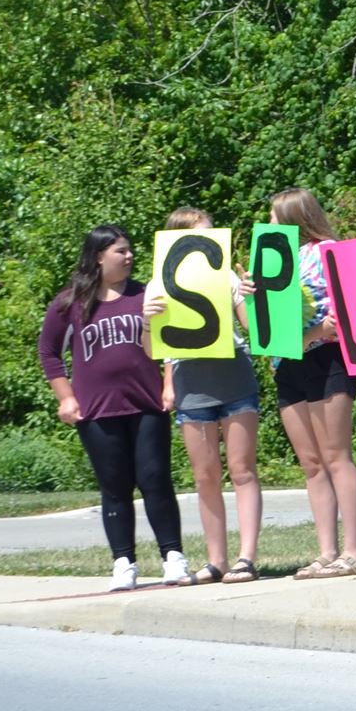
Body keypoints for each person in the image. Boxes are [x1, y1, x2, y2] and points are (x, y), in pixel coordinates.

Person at [38, 226, 189, 591]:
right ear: (98, 257)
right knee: (115, 487)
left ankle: (173, 557)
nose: (129, 256)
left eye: (130, 250)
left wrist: (169, 384)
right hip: (97, 411)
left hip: (146, 403)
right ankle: (124, 562)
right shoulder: (69, 302)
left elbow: (169, 341)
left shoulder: (145, 294)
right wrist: (66, 397)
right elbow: (48, 353)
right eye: (120, 251)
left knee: (155, 479)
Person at [141, 207, 261, 583]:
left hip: (234, 375)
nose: (212, 240)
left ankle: (246, 558)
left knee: (242, 469)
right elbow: (153, 349)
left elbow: (250, 329)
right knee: (205, 475)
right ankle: (216, 560)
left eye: (213, 233)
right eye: (203, 233)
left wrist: (250, 295)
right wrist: (146, 323)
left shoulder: (224, 276)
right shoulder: (158, 284)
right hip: (191, 382)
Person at [263, 189, 356, 576]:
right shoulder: (273, 260)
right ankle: (327, 551)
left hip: (328, 358)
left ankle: (355, 552)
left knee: (336, 454)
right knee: (311, 461)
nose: (269, 224)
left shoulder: (329, 251)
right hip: (288, 362)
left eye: (274, 217)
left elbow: (351, 309)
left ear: (293, 217)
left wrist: (320, 331)